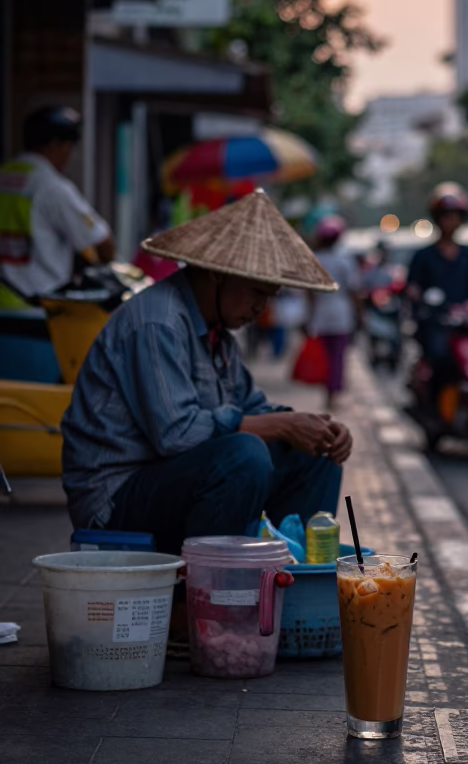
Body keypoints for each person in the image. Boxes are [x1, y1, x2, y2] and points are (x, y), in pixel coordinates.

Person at [62, 189, 350, 554]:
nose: (260, 308)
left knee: (316, 456)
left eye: (269, 297)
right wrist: (280, 426)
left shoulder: (220, 338)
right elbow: (176, 433)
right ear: (218, 275)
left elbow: (255, 409)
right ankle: (212, 596)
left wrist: (314, 427)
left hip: (173, 478)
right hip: (115, 498)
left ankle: (290, 583)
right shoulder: (159, 322)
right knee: (244, 456)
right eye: (256, 293)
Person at [0, 106, 115, 309]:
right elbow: (103, 242)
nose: (69, 155)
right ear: (55, 144)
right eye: (68, 146)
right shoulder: (52, 187)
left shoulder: (4, 174)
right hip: (36, 309)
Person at [406, 182, 468, 388]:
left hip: (464, 323)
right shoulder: (423, 256)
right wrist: (421, 300)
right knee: (439, 356)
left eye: (455, 215)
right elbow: (413, 288)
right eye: (446, 215)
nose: (450, 221)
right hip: (435, 323)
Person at [307, 214, 361, 411]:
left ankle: (328, 394)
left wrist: (309, 317)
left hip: (321, 315)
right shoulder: (344, 261)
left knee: (325, 357)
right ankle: (333, 395)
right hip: (340, 315)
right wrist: (360, 314)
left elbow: (310, 294)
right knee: (337, 357)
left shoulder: (316, 260)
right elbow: (354, 290)